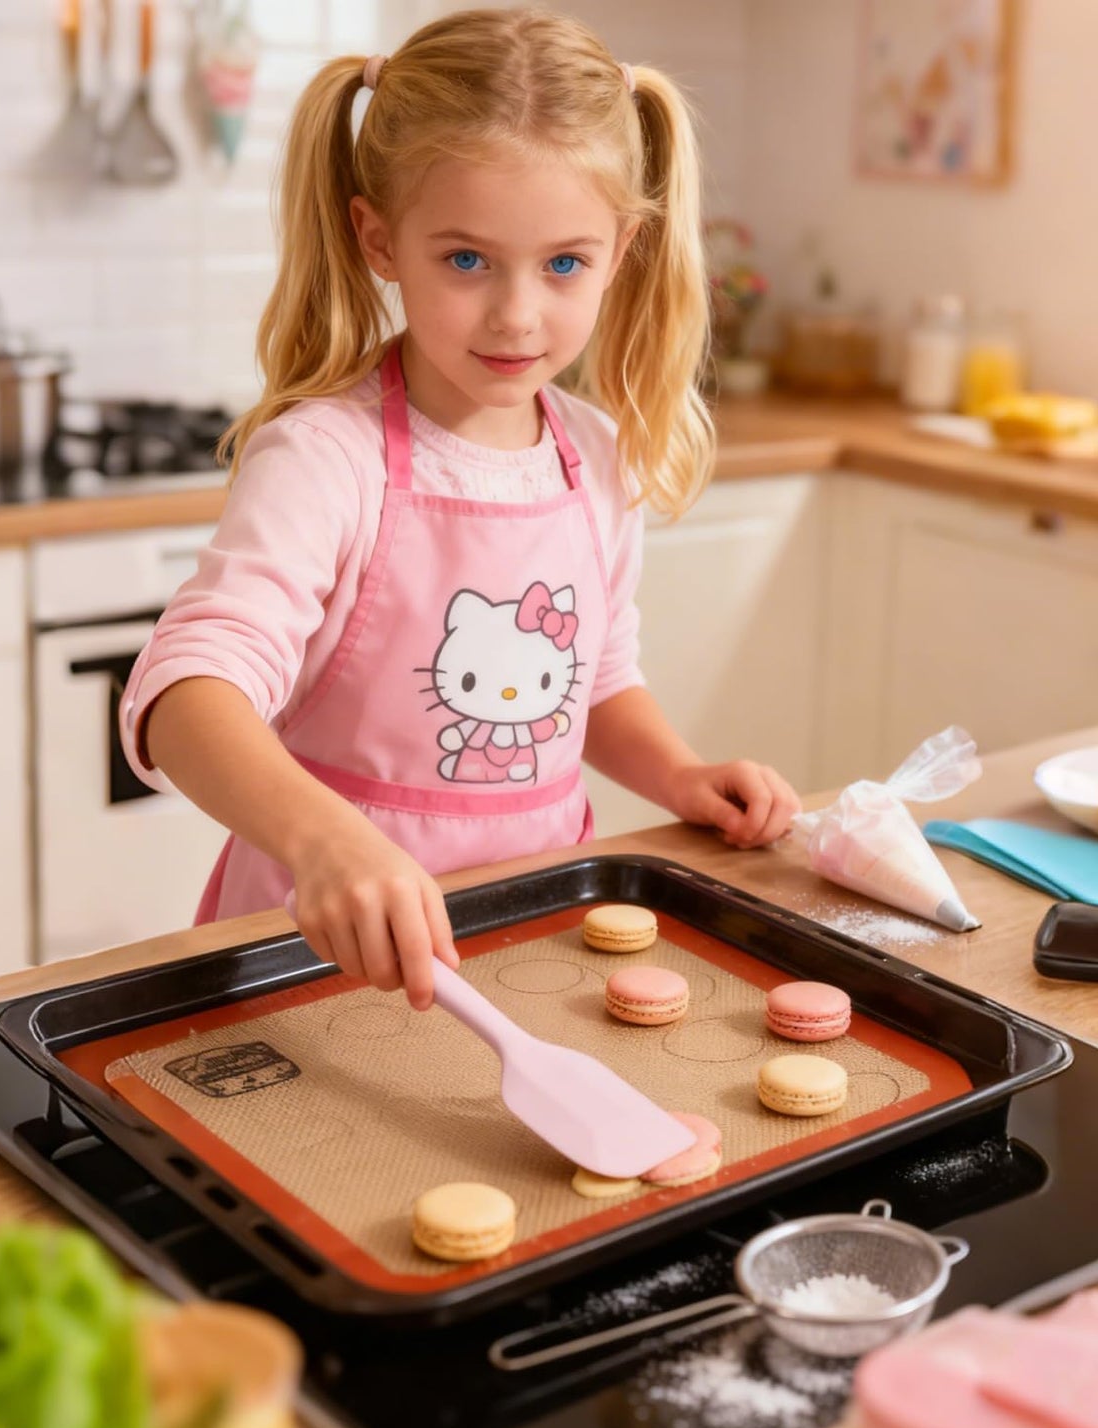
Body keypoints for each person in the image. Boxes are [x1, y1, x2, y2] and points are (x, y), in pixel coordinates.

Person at [120, 7, 801, 1011]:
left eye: (562, 263)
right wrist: (327, 840)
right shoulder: (325, 458)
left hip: (530, 933)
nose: (517, 314)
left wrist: (679, 775)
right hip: (318, 958)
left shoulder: (594, 458)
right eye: (467, 260)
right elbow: (185, 692)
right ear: (379, 239)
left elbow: (592, 680)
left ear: (620, 248)